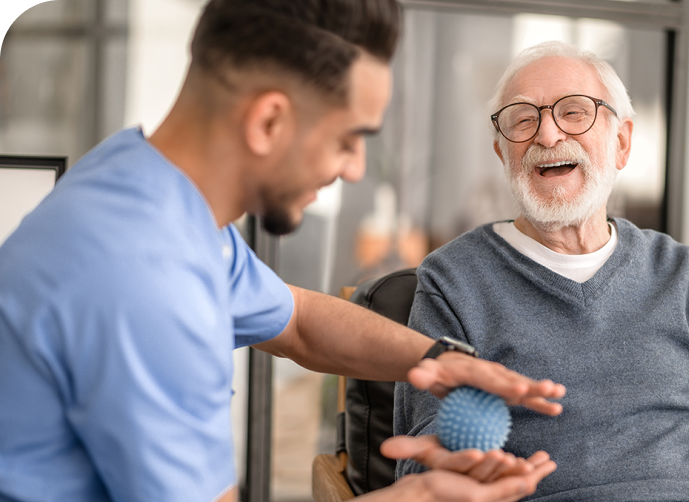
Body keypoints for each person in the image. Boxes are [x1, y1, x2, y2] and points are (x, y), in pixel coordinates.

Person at [0, 2, 568, 501]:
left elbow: (299, 322)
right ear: (269, 121)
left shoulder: (146, 190)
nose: (355, 169)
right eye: (348, 140)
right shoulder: (146, 282)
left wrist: (441, 361)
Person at [394, 40, 689, 501]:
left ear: (621, 142)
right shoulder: (452, 281)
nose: (546, 136)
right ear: (501, 152)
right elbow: (421, 465)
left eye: (573, 112)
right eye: (523, 120)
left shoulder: (688, 277)